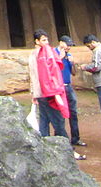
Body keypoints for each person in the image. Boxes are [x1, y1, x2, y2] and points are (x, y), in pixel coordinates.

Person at [29, 29, 86, 160]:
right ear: (36, 41)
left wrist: (33, 93)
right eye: (43, 40)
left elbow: (33, 75)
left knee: (44, 121)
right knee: (58, 120)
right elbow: (48, 73)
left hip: (40, 93)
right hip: (49, 92)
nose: (46, 42)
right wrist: (54, 91)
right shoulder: (44, 54)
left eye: (47, 39)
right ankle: (68, 151)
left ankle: (44, 150)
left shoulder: (33, 54)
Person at [57, 35, 87, 147]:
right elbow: (52, 68)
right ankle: (60, 138)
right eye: (67, 44)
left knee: (73, 113)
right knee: (60, 113)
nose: (69, 47)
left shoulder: (69, 55)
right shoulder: (54, 53)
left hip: (68, 86)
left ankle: (76, 138)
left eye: (70, 45)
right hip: (59, 87)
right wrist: (60, 57)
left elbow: (73, 73)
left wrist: (72, 62)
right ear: (61, 43)